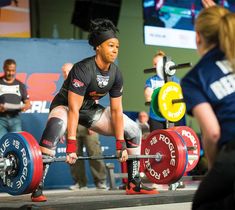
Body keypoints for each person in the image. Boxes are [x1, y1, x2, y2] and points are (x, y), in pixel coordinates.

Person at [31, 18, 158, 202]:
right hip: (65, 106)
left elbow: (116, 111)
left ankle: (133, 183)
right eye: (110, 45)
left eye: (117, 46)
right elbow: (73, 109)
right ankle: (37, 186)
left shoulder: (116, 73)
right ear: (98, 46)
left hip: (90, 110)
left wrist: (120, 143)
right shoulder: (82, 69)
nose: (115, 50)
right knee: (56, 126)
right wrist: (71, 146)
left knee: (133, 130)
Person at [181, 5, 235, 210]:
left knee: (204, 204)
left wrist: (214, 168)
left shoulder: (195, 78)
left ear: (198, 37)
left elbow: (212, 133)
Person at [61, 63, 107, 190]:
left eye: (68, 71)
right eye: (63, 72)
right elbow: (63, 110)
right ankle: (80, 183)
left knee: (94, 153)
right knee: (73, 156)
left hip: (88, 124)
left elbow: (95, 103)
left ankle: (100, 182)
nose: (65, 74)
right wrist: (62, 129)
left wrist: (93, 124)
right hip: (72, 127)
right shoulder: (63, 90)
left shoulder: (84, 83)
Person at [144, 50, 180, 131]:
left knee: (173, 140)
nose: (156, 66)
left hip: (173, 116)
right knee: (158, 141)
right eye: (155, 64)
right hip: (156, 117)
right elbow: (148, 97)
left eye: (159, 64)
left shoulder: (175, 81)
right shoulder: (151, 80)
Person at [0, 59, 31, 138]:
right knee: (1, 143)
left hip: (15, 119)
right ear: (4, 68)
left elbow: (27, 102)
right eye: (8, 70)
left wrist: (26, 106)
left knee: (17, 142)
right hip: (1, 119)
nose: (11, 73)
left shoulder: (20, 85)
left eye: (13, 71)